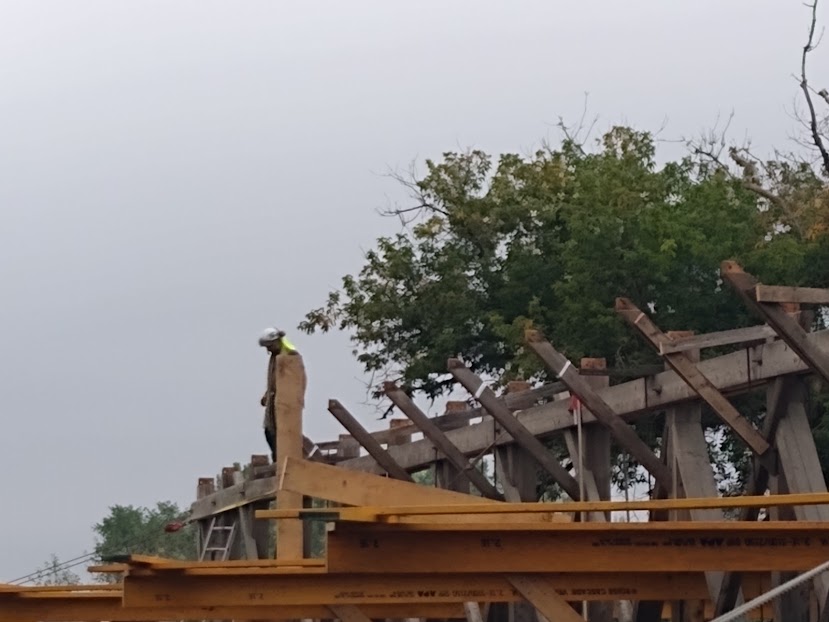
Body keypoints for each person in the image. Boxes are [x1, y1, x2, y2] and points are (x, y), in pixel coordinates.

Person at [258, 327, 299, 462]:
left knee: (281, 432)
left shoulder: (288, 355)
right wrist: (267, 395)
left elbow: (290, 379)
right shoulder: (275, 356)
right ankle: (278, 458)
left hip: (284, 402)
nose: (268, 350)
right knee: (270, 430)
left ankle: (281, 459)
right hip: (274, 399)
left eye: (269, 346)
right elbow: (275, 379)